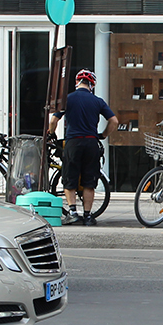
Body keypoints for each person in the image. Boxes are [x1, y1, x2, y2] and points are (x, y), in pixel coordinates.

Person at [53, 68, 117, 225]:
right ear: (92, 84)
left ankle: (73, 212)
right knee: (89, 181)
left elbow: (53, 120)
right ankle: (88, 216)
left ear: (76, 82)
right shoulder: (97, 101)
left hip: (73, 142)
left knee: (70, 178)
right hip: (91, 143)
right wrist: (102, 135)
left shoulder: (67, 99)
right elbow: (114, 121)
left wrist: (51, 133)